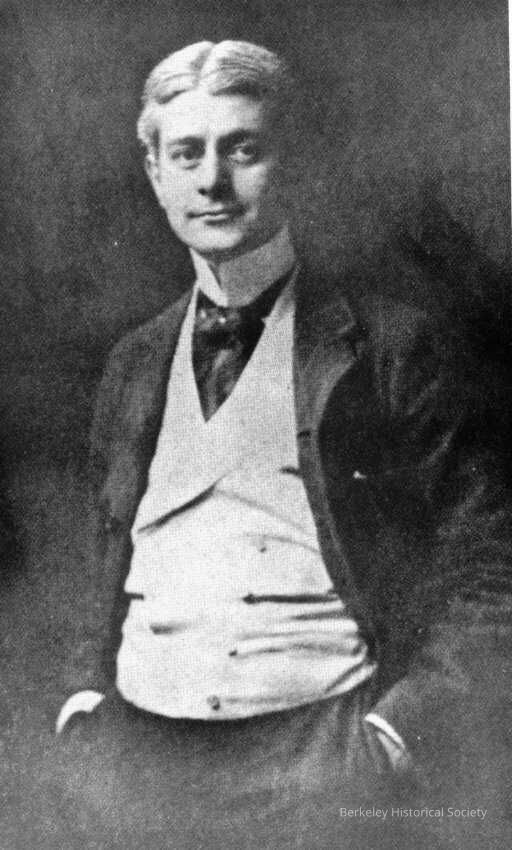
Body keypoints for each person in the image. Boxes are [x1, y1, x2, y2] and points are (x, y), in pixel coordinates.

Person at [55, 40, 512, 849]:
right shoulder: (132, 362)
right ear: (156, 173)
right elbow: (104, 550)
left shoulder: (393, 347)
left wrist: (396, 735)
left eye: (242, 149)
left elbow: (490, 562)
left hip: (320, 762)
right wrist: (82, 703)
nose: (212, 181)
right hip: (136, 768)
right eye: (186, 154)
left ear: (288, 160)